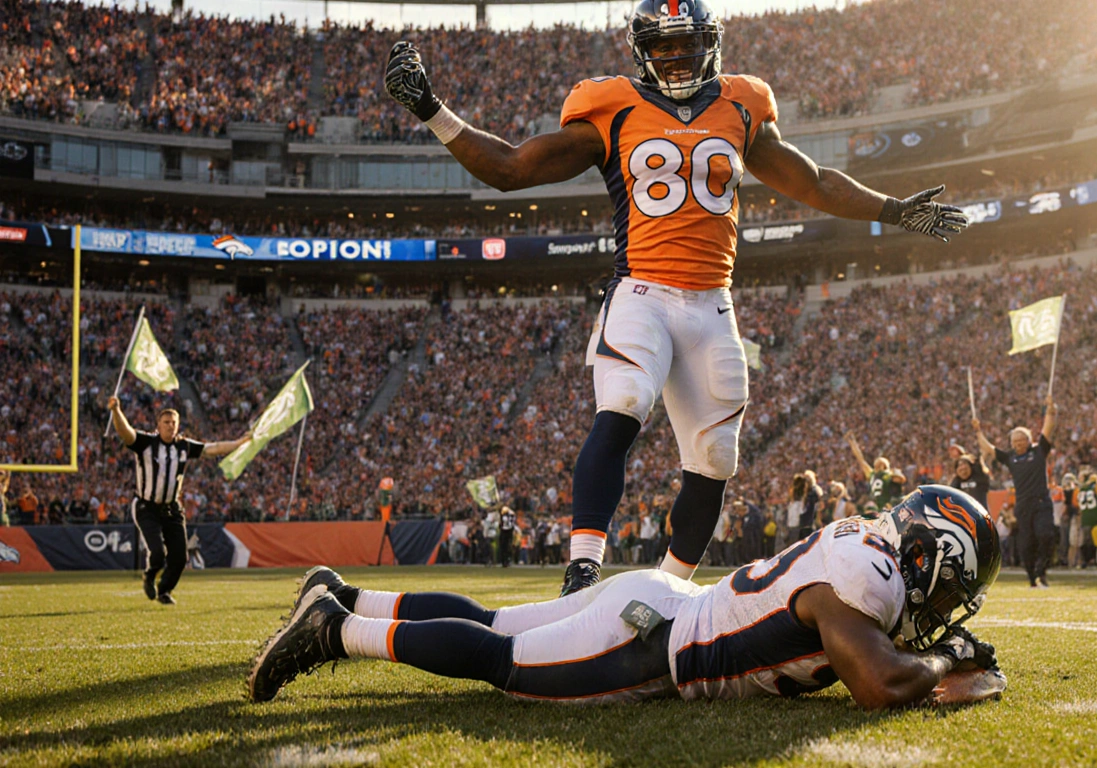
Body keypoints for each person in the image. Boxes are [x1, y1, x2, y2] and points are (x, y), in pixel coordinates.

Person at [383, 0, 969, 596]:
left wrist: (893, 211)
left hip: (713, 302)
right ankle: (582, 570)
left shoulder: (741, 105)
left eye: (685, 42)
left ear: (710, 42)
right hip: (643, 292)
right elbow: (510, 168)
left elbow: (812, 181)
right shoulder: (611, 107)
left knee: (716, 457)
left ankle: (667, 593)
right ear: (641, 49)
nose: (675, 55)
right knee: (626, 403)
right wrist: (431, 109)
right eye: (661, 45)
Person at [248, 486, 1004, 710]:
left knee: (497, 620)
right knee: (499, 657)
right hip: (654, 641)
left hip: (661, 600)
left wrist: (929, 658)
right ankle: (335, 629)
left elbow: (871, 656)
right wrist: (938, 659)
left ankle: (350, 594)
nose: (945, 604)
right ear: (929, 552)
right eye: (953, 584)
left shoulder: (861, 546)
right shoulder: (867, 581)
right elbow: (877, 683)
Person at [108, 397, 251, 605]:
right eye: (166, 422)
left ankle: (164, 590)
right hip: (146, 506)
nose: (170, 426)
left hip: (172, 508)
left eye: (174, 422)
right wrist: (116, 411)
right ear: (158, 425)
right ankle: (150, 574)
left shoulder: (183, 446)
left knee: (180, 557)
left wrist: (239, 443)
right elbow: (125, 432)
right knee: (157, 552)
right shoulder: (146, 443)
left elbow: (213, 449)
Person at [975, 398, 1057, 587]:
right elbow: (988, 448)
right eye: (1016, 441)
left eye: (1023, 440)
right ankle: (1031, 577)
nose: (1019, 444)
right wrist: (978, 431)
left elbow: (1048, 427)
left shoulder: (1039, 451)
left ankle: (1041, 571)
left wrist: (1051, 411)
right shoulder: (1010, 457)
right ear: (1012, 443)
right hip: (1023, 505)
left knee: (1046, 535)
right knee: (1026, 543)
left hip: (1041, 502)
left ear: (1029, 441)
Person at [846, 432, 906, 511]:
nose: (878, 461)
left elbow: (901, 480)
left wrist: (894, 475)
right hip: (878, 506)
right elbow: (860, 459)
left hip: (891, 504)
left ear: (885, 465)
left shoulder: (889, 474)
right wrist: (852, 442)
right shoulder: (872, 474)